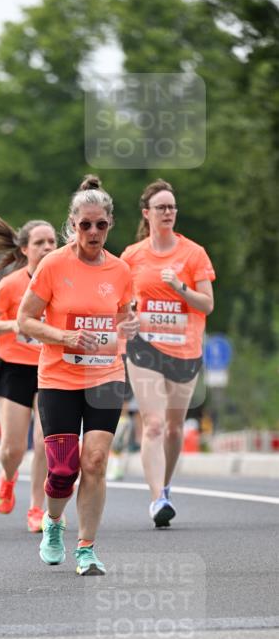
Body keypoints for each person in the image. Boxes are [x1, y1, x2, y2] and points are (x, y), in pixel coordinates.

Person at [17, 175, 139, 575]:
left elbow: (124, 318)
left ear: (110, 225)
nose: (92, 232)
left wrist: (130, 327)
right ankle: (54, 522)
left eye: (100, 225)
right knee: (63, 469)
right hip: (58, 379)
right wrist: (65, 335)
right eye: (84, 224)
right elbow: (25, 320)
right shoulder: (53, 265)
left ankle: (86, 548)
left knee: (97, 460)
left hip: (106, 375)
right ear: (72, 224)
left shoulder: (120, 271)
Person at [121, 179, 215, 527]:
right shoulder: (132, 255)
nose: (168, 212)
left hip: (184, 349)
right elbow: (119, 300)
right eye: (161, 207)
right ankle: (157, 497)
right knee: (155, 423)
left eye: (172, 207)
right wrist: (127, 316)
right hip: (144, 347)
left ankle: (167, 484)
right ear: (147, 214)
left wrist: (180, 288)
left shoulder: (194, 254)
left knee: (175, 428)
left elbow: (207, 304)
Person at [0, 215, 57, 532]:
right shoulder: (11, 285)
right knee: (13, 449)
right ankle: (8, 477)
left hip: (52, 366)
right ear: (24, 249)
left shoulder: (63, 282)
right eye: (39, 242)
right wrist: (15, 325)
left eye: (51, 241)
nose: (47, 247)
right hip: (15, 369)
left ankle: (37, 508)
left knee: (45, 440)